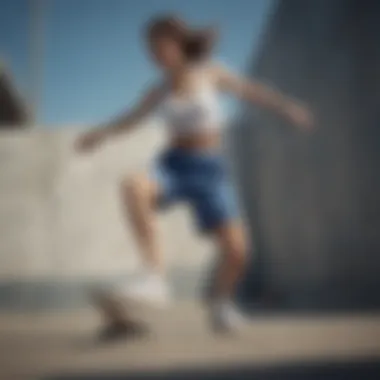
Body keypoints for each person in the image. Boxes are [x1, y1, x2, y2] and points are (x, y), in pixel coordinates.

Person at [76, 15, 313, 335]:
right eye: (150, 51)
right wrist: (99, 134)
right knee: (133, 185)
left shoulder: (211, 72)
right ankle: (154, 277)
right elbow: (130, 118)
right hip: (173, 165)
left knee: (238, 251)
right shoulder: (158, 90)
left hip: (210, 169)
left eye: (159, 48)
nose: (154, 56)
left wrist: (286, 107)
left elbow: (250, 91)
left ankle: (222, 304)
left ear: (177, 44)